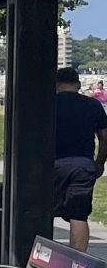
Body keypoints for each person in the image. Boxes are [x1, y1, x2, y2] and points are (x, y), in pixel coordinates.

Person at [56, 65, 107, 251]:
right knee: (79, 215)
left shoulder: (48, 103)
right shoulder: (92, 105)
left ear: (56, 84)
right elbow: (104, 137)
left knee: (43, 210)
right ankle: (76, 260)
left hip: (52, 164)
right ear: (78, 84)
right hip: (83, 164)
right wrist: (100, 162)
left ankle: (43, 258)